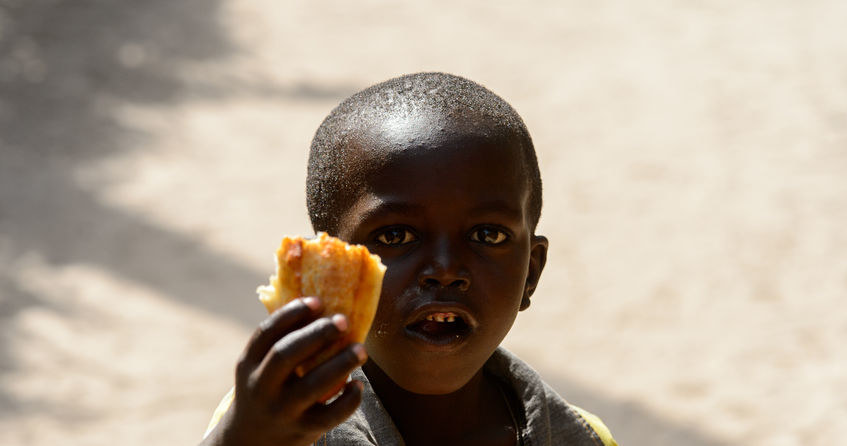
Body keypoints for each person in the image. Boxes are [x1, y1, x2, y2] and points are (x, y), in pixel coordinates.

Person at [200, 72, 618, 446]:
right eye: (396, 235)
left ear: (531, 271)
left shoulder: (580, 437)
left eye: (487, 235)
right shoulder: (274, 426)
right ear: (327, 273)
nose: (445, 269)